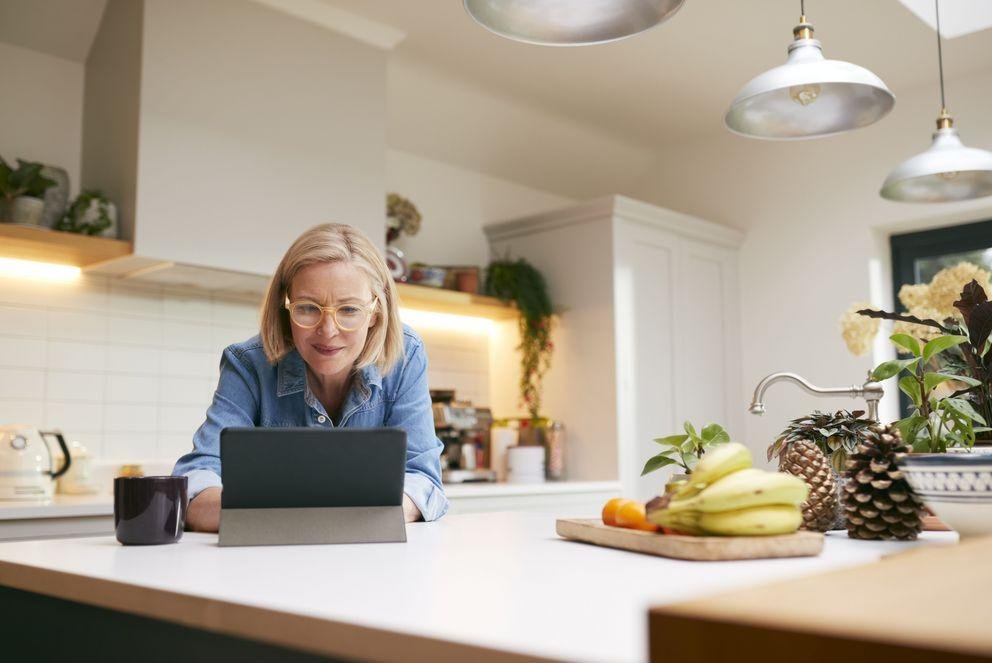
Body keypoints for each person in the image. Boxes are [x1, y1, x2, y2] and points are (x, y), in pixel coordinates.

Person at [173, 223, 448, 531]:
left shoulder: (404, 355)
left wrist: (275, 509)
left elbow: (424, 480)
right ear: (284, 307)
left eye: (348, 310)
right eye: (307, 308)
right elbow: (196, 478)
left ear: (375, 312)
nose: (328, 331)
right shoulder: (248, 364)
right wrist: (341, 511)